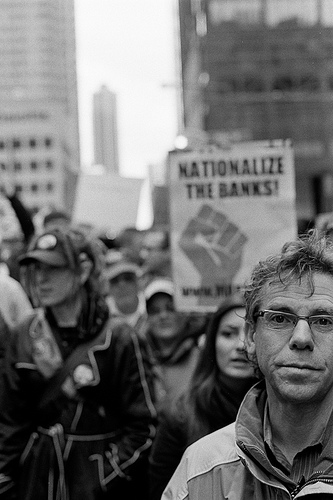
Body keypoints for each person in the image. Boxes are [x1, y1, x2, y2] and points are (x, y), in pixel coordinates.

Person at [162, 230, 333, 499]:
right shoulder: (201, 468)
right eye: (280, 318)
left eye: (324, 321)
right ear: (251, 337)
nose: (301, 338)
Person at [0, 227, 156, 500]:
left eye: (53, 269)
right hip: (35, 480)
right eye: (35, 269)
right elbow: (9, 421)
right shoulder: (24, 333)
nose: (41, 279)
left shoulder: (119, 337)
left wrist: (103, 477)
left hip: (100, 487)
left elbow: (144, 427)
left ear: (83, 271)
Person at [148, 295, 257, 500]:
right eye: (228, 334)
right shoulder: (181, 415)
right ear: (211, 342)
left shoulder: (280, 413)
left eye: (251, 334)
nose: (241, 345)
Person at [142, 277, 206, 414]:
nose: (163, 316)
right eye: (154, 310)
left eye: (171, 308)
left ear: (185, 313)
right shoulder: (139, 358)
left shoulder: (203, 356)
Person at [105, 259, 147, 328]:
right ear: (109, 288)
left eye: (128, 278)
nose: (122, 286)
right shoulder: (102, 314)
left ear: (138, 283)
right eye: (115, 281)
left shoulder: (151, 303)